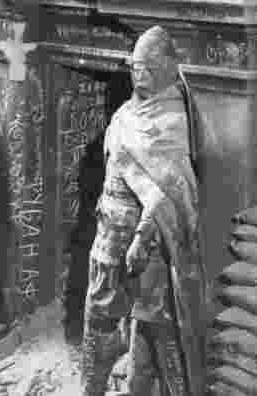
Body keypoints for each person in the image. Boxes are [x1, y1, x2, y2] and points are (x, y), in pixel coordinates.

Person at [81, 26, 206, 396]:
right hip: (108, 235)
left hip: (146, 243)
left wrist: (142, 237)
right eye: (135, 68)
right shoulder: (125, 113)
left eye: (148, 69)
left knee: (155, 324)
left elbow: (171, 191)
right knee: (99, 317)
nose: (140, 76)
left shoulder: (171, 121)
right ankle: (92, 389)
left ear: (168, 69)